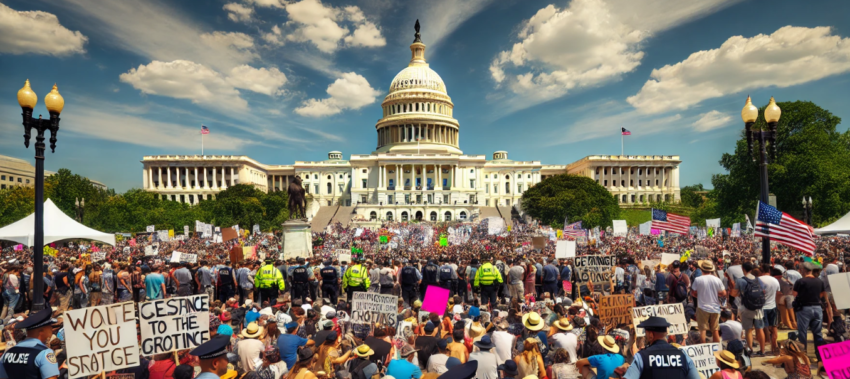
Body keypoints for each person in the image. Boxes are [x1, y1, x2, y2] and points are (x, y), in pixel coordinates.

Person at [621, 317, 700, 379]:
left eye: (646, 333)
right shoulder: (683, 356)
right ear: (665, 333)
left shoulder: (641, 357)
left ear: (651, 335)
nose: (645, 336)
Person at [0, 308, 59, 379]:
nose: (51, 330)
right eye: (50, 327)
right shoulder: (44, 353)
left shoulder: (7, 353)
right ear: (42, 330)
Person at [792, 262, 831, 354]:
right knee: (817, 333)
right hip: (817, 308)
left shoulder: (800, 281)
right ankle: (820, 357)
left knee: (802, 332)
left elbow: (794, 294)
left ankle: (803, 355)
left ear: (804, 270)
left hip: (804, 308)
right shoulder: (819, 281)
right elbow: (822, 294)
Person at [690, 261, 726, 343]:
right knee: (715, 329)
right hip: (715, 307)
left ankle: (704, 348)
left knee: (702, 329)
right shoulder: (717, 279)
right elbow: (724, 293)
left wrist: (700, 294)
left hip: (702, 307)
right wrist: (714, 293)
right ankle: (717, 348)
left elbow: (693, 293)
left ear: (702, 269)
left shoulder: (698, 279)